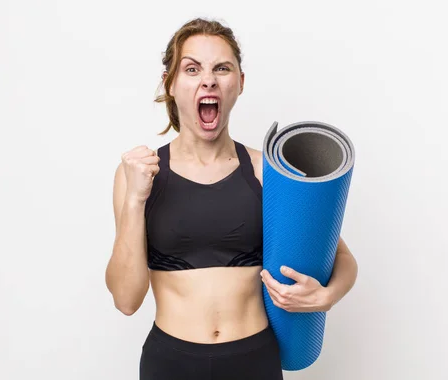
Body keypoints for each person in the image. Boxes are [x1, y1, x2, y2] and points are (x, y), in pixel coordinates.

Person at [105, 17, 358, 380]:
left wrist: (326, 296)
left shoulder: (266, 171)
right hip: (170, 363)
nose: (208, 79)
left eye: (221, 68)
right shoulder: (138, 173)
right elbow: (126, 300)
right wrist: (134, 200)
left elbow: (343, 258)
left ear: (239, 83)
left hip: (253, 359)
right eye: (192, 69)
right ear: (171, 84)